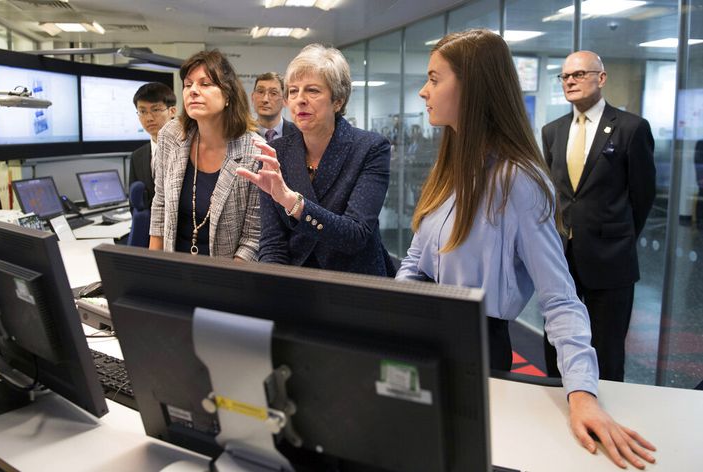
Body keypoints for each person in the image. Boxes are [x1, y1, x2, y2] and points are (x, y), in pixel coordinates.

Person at [396, 30, 656, 469]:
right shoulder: (451, 170)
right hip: (428, 340)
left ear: (472, 86)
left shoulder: (518, 181)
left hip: (479, 352)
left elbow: (560, 298)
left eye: (434, 79)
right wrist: (402, 313)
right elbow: (414, 261)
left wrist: (581, 392)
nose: (424, 90)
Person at [542, 51, 656, 381]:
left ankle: (606, 421)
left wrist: (618, 237)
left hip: (611, 258)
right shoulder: (553, 131)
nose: (570, 81)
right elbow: (555, 191)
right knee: (557, 341)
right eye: (565, 77)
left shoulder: (631, 128)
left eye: (579, 74)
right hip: (561, 257)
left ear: (601, 78)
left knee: (606, 349)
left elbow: (643, 195)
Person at [237, 44, 394, 276]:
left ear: (338, 100)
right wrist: (272, 289)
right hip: (297, 284)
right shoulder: (275, 152)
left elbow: (355, 235)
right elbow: (272, 243)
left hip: (356, 283)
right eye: (293, 91)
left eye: (312, 90)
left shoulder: (370, 148)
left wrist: (293, 203)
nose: (300, 100)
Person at [149, 50, 261, 260]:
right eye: (188, 84)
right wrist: (152, 269)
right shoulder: (170, 136)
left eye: (205, 84)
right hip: (173, 267)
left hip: (225, 276)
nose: (193, 91)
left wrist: (221, 285)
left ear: (228, 94)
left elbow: (252, 239)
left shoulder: (254, 153)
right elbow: (160, 204)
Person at [128, 82, 177, 209]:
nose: (149, 118)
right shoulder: (137, 157)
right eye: (142, 111)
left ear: (172, 111)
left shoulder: (188, 148)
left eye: (155, 110)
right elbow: (135, 205)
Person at [251, 72, 298, 142]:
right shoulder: (242, 134)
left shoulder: (299, 133)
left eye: (273, 93)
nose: (265, 99)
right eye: (260, 92)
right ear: (252, 98)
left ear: (285, 100)